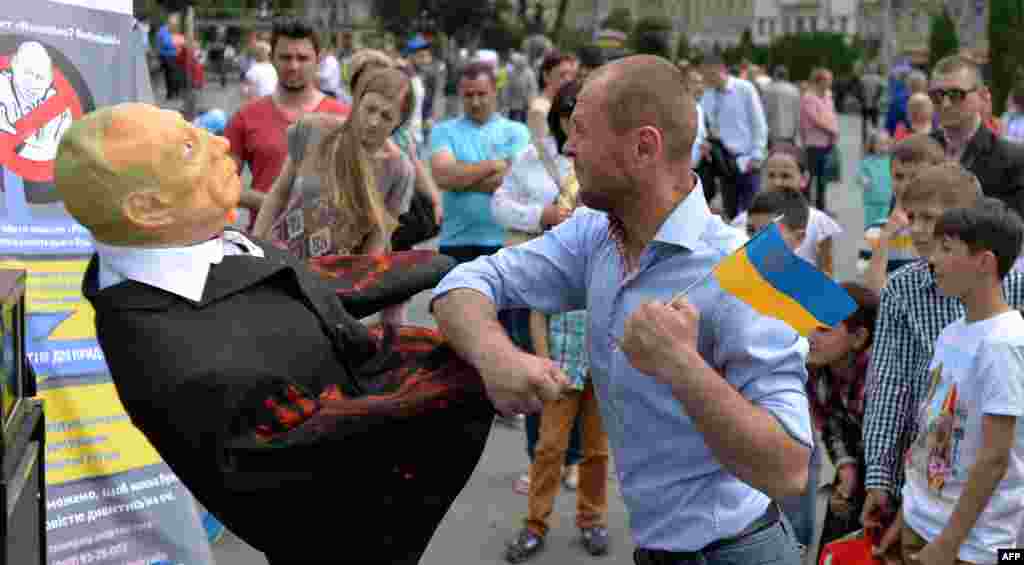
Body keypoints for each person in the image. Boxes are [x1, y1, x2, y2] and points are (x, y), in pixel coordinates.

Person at [54, 102, 508, 565]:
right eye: (190, 148)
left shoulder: (184, 247)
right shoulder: (176, 359)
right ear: (147, 208)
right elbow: (342, 444)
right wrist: (481, 365)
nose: (221, 143)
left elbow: (300, 282)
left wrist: (441, 268)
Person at [432, 54, 809, 565]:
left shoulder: (751, 264)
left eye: (582, 131)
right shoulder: (595, 234)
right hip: (656, 551)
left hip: (739, 552)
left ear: (643, 147)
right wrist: (496, 355)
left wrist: (682, 366)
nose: (568, 147)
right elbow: (465, 281)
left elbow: (790, 469)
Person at [860, 162, 1024, 564]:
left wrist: (951, 542)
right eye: (911, 216)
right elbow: (891, 387)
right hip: (927, 508)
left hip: (983, 537)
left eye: (931, 220)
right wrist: (884, 481)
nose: (917, 230)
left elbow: (997, 455)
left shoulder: (1006, 330)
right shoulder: (922, 305)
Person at [492, 80, 610, 562]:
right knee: (549, 447)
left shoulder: (608, 252)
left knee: (599, 453)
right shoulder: (557, 252)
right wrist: (542, 361)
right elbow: (539, 308)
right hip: (559, 363)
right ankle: (535, 522)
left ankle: (593, 519)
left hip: (600, 366)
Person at [252, 67, 415, 266]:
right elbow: (279, 194)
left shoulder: (399, 170)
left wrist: (358, 284)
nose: (374, 122)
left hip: (333, 279)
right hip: (278, 261)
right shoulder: (313, 129)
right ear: (357, 103)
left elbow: (378, 237)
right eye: (370, 109)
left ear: (400, 122)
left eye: (386, 116)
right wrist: (256, 248)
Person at [224, 19, 350, 228]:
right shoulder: (245, 117)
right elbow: (222, 184)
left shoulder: (343, 118)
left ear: (318, 60)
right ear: (272, 58)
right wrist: (270, 203)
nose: (293, 66)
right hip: (266, 245)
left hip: (330, 250)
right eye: (285, 57)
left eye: (302, 58)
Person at [429, 61, 530, 265]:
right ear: (460, 95)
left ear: (495, 92)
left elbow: (516, 182)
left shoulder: (517, 131)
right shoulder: (443, 131)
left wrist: (460, 179)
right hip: (455, 242)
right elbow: (443, 177)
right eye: (468, 95)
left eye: (481, 94)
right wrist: (494, 165)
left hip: (505, 241)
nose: (475, 102)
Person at [805, 283, 879, 561]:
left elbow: (891, 445)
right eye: (809, 325)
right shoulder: (816, 371)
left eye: (824, 329)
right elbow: (830, 426)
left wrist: (862, 483)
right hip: (857, 459)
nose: (811, 336)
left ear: (858, 337)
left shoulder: (879, 376)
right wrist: (846, 470)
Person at [928, 55, 1024, 217]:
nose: (945, 104)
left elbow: (1015, 232)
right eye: (937, 96)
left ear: (983, 95)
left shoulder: (1013, 160)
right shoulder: (919, 150)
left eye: (956, 94)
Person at [732, 144, 842, 277]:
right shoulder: (742, 221)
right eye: (771, 175)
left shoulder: (819, 222)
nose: (777, 182)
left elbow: (827, 271)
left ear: (804, 179)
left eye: (786, 176)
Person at [860, 134, 946, 294]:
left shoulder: (949, 228)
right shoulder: (876, 230)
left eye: (916, 177)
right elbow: (870, 292)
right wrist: (885, 238)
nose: (906, 185)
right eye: (899, 177)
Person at [700, 53, 769, 220]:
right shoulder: (707, 95)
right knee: (730, 211)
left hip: (748, 160)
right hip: (725, 162)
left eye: (709, 75)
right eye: (705, 75)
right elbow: (706, 125)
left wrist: (757, 154)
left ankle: (753, 246)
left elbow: (758, 123)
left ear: (721, 70)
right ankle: (737, 246)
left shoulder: (744, 88)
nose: (707, 79)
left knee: (751, 212)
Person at [800, 67, 839, 211]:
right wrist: (831, 129)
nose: (830, 83)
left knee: (823, 178)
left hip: (827, 142)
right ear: (819, 81)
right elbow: (815, 119)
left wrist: (834, 131)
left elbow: (831, 114)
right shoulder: (809, 98)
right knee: (810, 177)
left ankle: (821, 208)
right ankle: (806, 207)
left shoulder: (828, 96)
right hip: (814, 143)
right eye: (828, 80)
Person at [527, 51, 577, 141]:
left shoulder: (565, 102)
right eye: (562, 75)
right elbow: (541, 148)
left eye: (571, 75)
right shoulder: (539, 109)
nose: (568, 80)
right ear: (546, 76)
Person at [858, 128, 893, 227]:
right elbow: (860, 175)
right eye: (880, 144)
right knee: (872, 227)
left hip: (887, 201)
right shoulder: (867, 161)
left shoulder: (892, 160)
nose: (884, 147)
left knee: (885, 227)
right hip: (871, 202)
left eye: (886, 143)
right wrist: (863, 180)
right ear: (873, 145)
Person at [761, 65, 802, 148]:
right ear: (786, 76)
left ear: (775, 75)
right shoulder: (794, 90)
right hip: (790, 131)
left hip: (772, 131)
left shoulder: (768, 90)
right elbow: (798, 112)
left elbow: (764, 111)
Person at [503, 52, 537, 125]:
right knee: (512, 116)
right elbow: (508, 87)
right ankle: (510, 130)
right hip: (514, 100)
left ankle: (523, 130)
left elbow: (532, 88)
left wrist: (531, 99)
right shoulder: (512, 73)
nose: (520, 64)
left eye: (521, 63)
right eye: (518, 63)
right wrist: (506, 99)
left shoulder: (529, 73)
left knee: (523, 117)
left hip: (525, 100)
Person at [156, 13, 182, 100]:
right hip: (167, 56)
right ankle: (172, 93)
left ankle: (172, 93)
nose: (176, 25)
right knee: (171, 75)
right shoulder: (164, 30)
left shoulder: (170, 31)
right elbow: (166, 43)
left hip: (172, 56)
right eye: (175, 23)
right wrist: (177, 44)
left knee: (171, 75)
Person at [860, 64, 886, 146]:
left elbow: (859, 90)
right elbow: (881, 90)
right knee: (875, 122)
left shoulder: (863, 78)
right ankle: (874, 138)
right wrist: (876, 99)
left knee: (864, 122)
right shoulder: (879, 79)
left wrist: (862, 99)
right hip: (875, 105)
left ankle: (864, 138)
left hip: (865, 104)